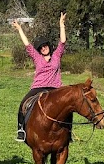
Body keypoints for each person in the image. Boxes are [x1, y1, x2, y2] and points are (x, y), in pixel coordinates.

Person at [11, 12, 67, 142]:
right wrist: (20, 29)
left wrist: (61, 24)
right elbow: (27, 45)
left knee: (67, 107)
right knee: (23, 104)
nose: (43, 48)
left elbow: (63, 42)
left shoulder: (57, 55)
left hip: (55, 88)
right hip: (39, 87)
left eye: (45, 46)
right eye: (41, 47)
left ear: (49, 46)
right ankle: (21, 130)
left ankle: (68, 132)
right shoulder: (37, 57)